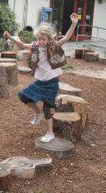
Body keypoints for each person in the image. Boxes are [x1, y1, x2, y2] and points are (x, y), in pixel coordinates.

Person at [4, 13, 79, 143]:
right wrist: (10, 37)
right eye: (40, 39)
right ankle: (38, 113)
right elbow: (22, 45)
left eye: (44, 39)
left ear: (49, 39)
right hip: (41, 81)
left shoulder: (53, 46)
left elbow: (66, 37)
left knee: (47, 107)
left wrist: (73, 23)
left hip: (52, 81)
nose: (41, 41)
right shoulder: (35, 46)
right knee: (23, 96)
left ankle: (50, 133)